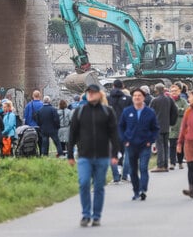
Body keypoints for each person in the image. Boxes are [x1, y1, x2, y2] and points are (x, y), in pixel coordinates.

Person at [68, 84, 120, 227]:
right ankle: (86, 215)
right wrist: (69, 155)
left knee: (98, 186)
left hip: (103, 156)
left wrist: (114, 154)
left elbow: (114, 134)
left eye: (93, 92)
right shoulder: (79, 111)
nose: (90, 95)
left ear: (99, 94)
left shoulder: (107, 112)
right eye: (88, 92)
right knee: (84, 183)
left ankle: (96, 216)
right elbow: (72, 134)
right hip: (84, 156)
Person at [119, 88, 159, 201]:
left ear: (143, 97)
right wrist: (124, 139)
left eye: (139, 95)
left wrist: (150, 140)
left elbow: (155, 128)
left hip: (144, 145)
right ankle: (136, 190)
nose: (137, 97)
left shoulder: (149, 112)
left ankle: (143, 190)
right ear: (132, 98)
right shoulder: (127, 111)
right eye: (135, 96)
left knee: (143, 168)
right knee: (133, 169)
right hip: (131, 144)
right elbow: (121, 126)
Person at [107, 79, 132, 183]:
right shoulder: (128, 99)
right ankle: (125, 174)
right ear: (123, 86)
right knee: (128, 152)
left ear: (113, 86)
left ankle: (116, 176)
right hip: (125, 128)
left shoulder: (107, 99)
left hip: (111, 129)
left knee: (112, 153)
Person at [149, 83, 178, 172]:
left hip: (157, 125)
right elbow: (175, 111)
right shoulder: (169, 99)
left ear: (157, 90)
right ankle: (165, 165)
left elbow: (149, 113)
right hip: (167, 125)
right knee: (165, 145)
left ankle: (160, 165)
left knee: (160, 146)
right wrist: (172, 122)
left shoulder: (154, 101)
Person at [169, 84, 189, 169]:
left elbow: (186, 111)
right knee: (172, 145)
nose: (174, 93)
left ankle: (180, 162)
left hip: (181, 126)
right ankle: (172, 163)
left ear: (179, 91)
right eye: (172, 91)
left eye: (175, 91)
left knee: (180, 145)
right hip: (172, 126)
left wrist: (177, 110)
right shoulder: (169, 101)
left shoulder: (183, 101)